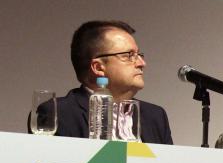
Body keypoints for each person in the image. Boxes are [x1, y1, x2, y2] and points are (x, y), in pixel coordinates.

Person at [32, 20, 172, 143]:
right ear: (98, 67)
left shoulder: (155, 116)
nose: (142, 63)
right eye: (129, 55)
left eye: (139, 55)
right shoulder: (59, 113)